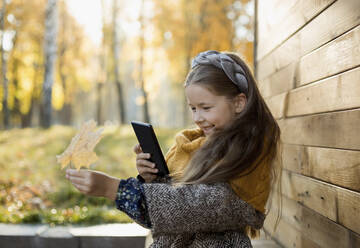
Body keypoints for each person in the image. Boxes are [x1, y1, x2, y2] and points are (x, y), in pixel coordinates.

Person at [66, 50, 281, 247]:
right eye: (193, 108)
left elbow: (193, 207)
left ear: (238, 103)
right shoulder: (195, 145)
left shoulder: (248, 155)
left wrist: (113, 189)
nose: (197, 118)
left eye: (206, 108)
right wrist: (152, 178)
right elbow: (168, 216)